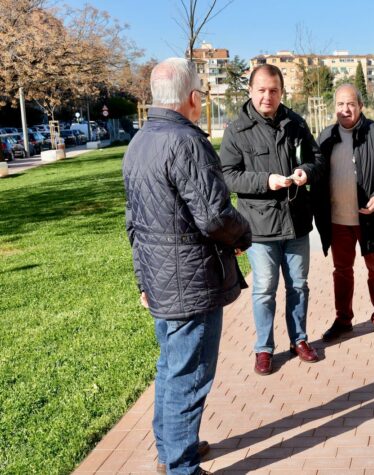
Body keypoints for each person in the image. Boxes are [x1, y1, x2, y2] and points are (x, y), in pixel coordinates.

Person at [123, 57, 252, 475]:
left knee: (170, 369)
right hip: (189, 282)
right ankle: (180, 465)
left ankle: (171, 450)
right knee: (189, 376)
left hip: (162, 280)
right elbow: (215, 216)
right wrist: (244, 234)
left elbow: (132, 223)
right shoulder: (185, 141)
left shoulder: (139, 142)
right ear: (193, 98)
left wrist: (143, 279)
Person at [219, 64, 326, 375]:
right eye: (262, 90)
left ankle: (300, 339)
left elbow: (316, 158)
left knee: (299, 286)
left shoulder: (296, 123)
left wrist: (307, 172)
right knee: (264, 289)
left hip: (296, 222)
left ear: (282, 92)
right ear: (251, 91)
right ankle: (264, 348)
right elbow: (228, 176)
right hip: (260, 227)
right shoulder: (237, 131)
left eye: (274, 90)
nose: (268, 96)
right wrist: (266, 182)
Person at [315, 84, 374, 343]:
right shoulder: (325, 137)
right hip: (337, 220)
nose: (345, 109)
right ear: (334, 107)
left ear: (361, 106)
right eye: (341, 104)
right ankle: (343, 320)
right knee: (341, 271)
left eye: (351, 104)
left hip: (371, 219)